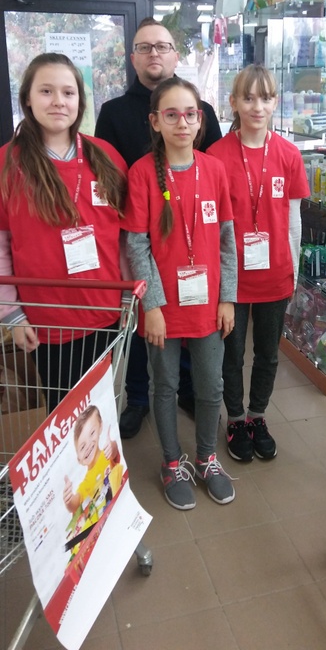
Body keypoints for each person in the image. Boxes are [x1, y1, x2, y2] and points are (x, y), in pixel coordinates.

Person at [95, 17, 222, 438]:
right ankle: (139, 398)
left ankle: (187, 390)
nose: (154, 53)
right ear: (132, 58)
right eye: (145, 47)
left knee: (190, 326)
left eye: (162, 46)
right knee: (147, 326)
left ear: (175, 55)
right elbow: (104, 174)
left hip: (193, 240)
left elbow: (214, 170)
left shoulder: (201, 111)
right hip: (139, 239)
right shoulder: (113, 112)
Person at [122, 77, 237, 509]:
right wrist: (151, 306)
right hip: (162, 309)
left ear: (200, 119)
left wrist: (227, 298)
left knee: (210, 385)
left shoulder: (215, 170)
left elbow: (227, 241)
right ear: (155, 121)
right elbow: (136, 245)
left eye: (190, 114)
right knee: (165, 385)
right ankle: (172, 462)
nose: (182, 122)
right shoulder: (141, 174)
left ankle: (206, 457)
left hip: (208, 305)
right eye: (171, 115)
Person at [0, 53, 128, 412]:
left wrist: (129, 296)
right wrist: (12, 314)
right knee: (63, 411)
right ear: (27, 98)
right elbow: (1, 246)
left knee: (100, 409)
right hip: (45, 319)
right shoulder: (7, 163)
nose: (58, 101)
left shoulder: (107, 157)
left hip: (105, 313)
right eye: (46, 91)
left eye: (68, 93)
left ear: (80, 101)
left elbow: (122, 238)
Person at [207, 64, 310, 462]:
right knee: (231, 355)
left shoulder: (288, 154)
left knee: (268, 353)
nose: (257, 106)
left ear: (274, 102)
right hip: (231, 280)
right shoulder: (215, 156)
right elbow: (212, 228)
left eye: (265, 98)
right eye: (248, 98)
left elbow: (294, 220)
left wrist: (294, 273)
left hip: (275, 275)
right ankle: (235, 419)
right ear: (233, 102)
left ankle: (257, 416)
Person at [63, 405, 122, 515]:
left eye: (92, 433)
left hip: (119, 505)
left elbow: (116, 455)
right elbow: (76, 503)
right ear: (79, 459)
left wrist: (112, 446)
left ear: (100, 427)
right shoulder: (87, 482)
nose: (88, 445)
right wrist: (69, 501)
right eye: (82, 447)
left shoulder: (106, 454)